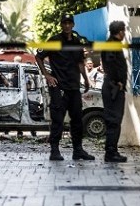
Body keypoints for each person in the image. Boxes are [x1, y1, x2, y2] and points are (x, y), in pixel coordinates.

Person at [35, 14, 94, 161]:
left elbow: (80, 62)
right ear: (61, 25)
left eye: (69, 23)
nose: (67, 25)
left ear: (73, 25)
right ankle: (54, 151)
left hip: (74, 86)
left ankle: (78, 150)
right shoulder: (54, 40)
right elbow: (38, 56)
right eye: (64, 23)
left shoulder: (76, 41)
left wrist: (86, 79)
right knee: (58, 120)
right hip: (58, 86)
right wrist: (46, 75)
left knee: (77, 120)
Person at [101, 21, 128, 163]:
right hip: (113, 88)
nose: (125, 33)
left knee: (115, 120)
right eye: (124, 30)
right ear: (120, 31)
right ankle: (111, 153)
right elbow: (111, 64)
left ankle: (112, 151)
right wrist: (118, 81)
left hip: (113, 87)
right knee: (113, 120)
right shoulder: (112, 44)